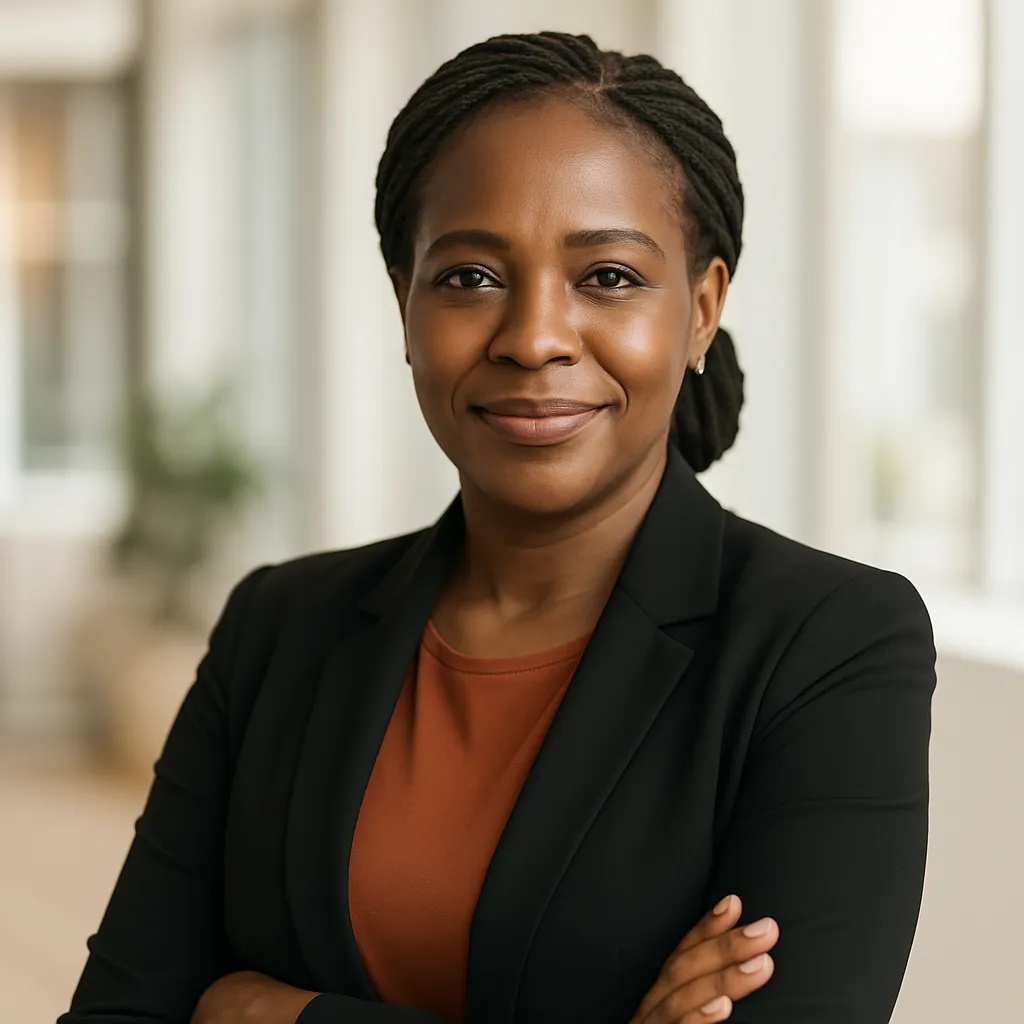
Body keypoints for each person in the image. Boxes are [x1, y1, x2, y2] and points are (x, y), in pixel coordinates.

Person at [60, 31, 936, 1024]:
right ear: (405, 304)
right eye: (471, 277)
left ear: (699, 309)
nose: (531, 338)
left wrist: (268, 1012)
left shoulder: (828, 642)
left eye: (606, 276)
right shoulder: (279, 624)